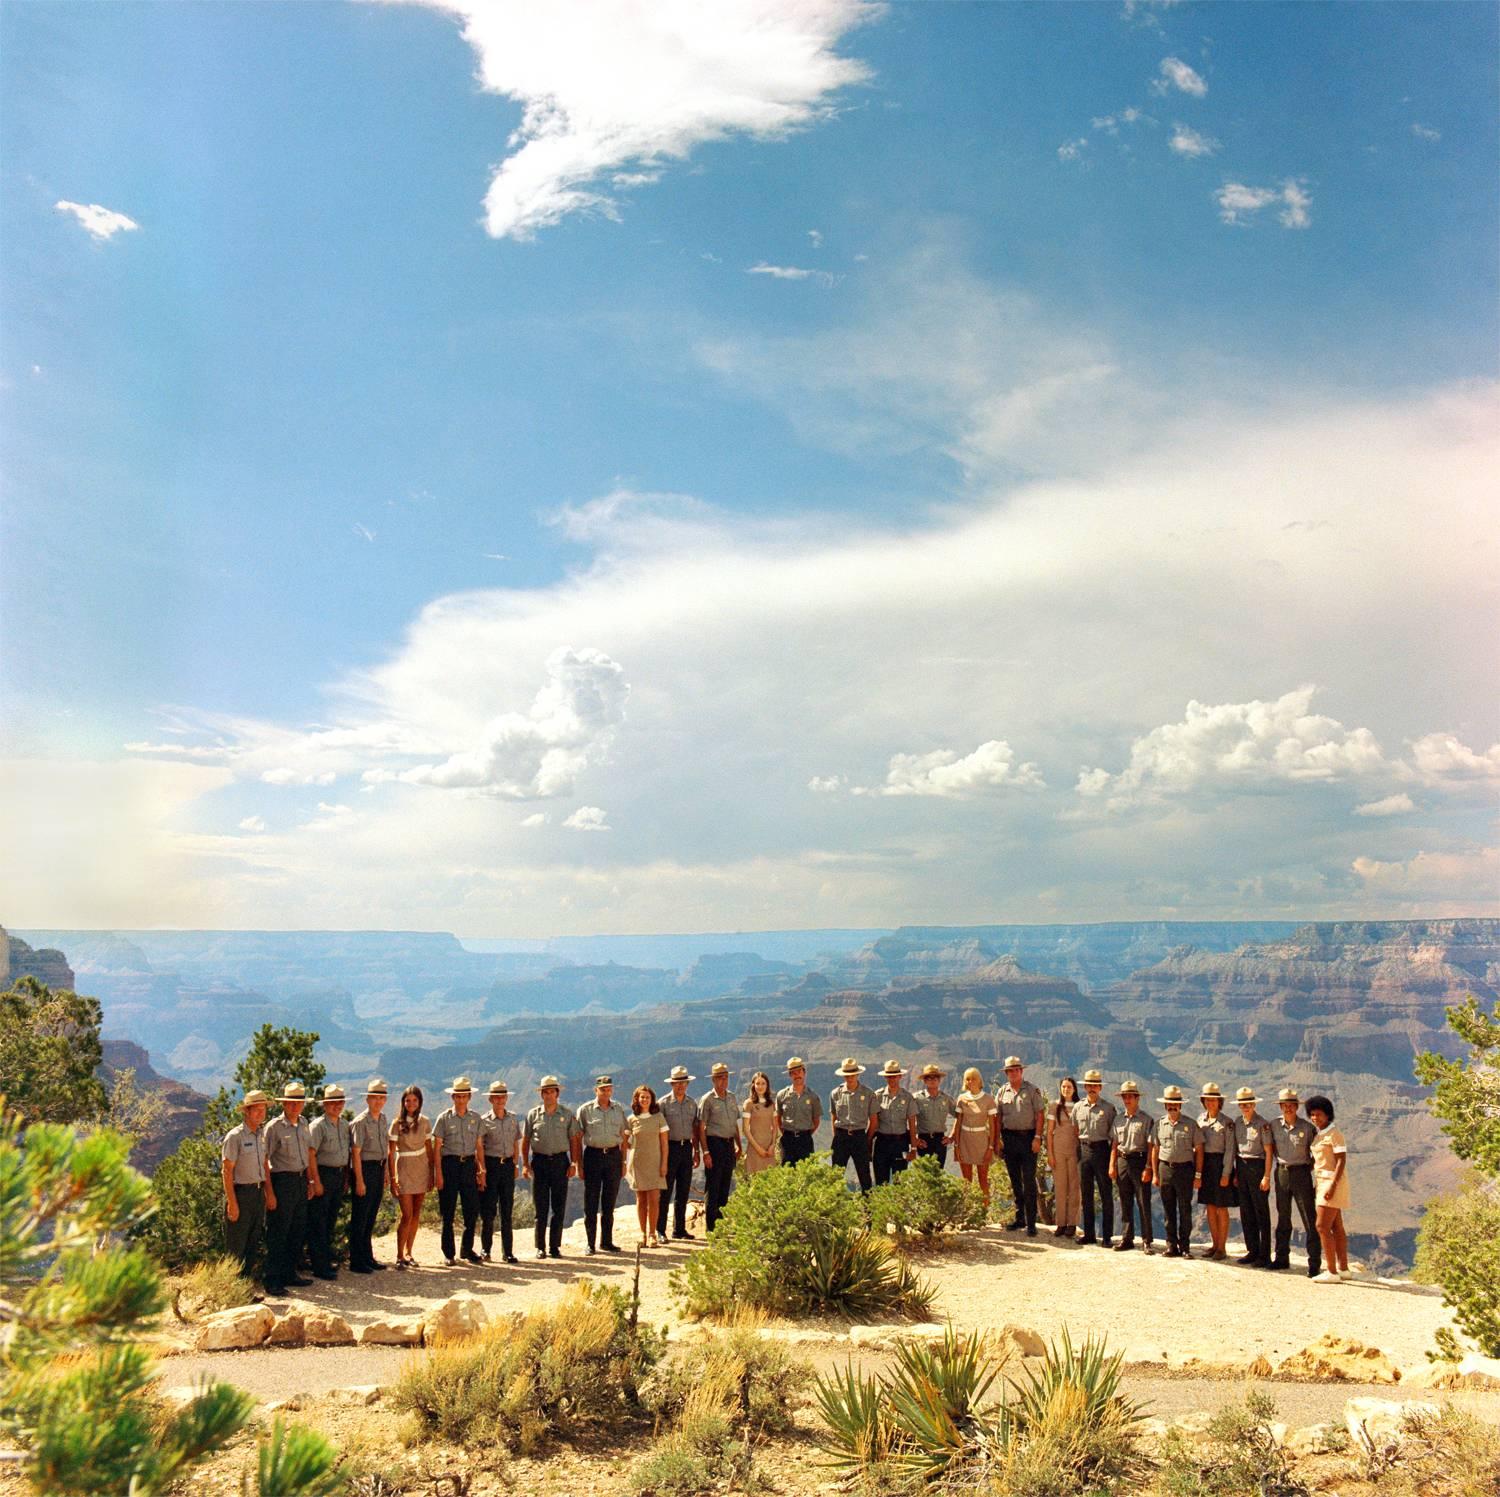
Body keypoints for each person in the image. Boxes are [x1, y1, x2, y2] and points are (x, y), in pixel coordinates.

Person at [263, 1082, 318, 1295]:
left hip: (300, 1180)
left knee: (296, 1230)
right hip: (281, 1181)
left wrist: (311, 1181)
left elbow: (308, 1154)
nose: (295, 1106)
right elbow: (265, 1160)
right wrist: (269, 1192)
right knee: (279, 1232)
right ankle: (272, 1279)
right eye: (291, 1102)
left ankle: (289, 1273)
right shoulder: (274, 1127)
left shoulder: (304, 1124)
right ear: (284, 1103)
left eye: (299, 1102)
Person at [522, 1076, 580, 1259]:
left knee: (558, 1206)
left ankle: (555, 1246)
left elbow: (574, 1140)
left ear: (557, 1093)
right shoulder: (533, 1115)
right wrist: (524, 1163)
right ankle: (540, 1247)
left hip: (560, 1162)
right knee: (541, 1207)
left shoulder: (566, 1114)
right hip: (539, 1163)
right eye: (545, 1092)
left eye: (551, 1091)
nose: (548, 1095)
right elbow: (525, 1140)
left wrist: (573, 1163)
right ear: (541, 1094)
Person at [433, 1076, 485, 1266]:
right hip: (450, 1165)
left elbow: (479, 1146)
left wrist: (482, 1170)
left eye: (464, 1096)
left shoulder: (475, 1118)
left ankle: (467, 1249)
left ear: (469, 1097)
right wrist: (438, 1174)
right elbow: (437, 1147)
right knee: (447, 1211)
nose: (461, 1099)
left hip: (469, 1166)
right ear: (452, 1097)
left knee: (471, 1209)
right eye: (458, 1096)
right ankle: (448, 1253)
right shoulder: (444, 1118)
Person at [1270, 1087, 1321, 1278]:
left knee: (1309, 1218)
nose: (1288, 1108)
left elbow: (1316, 1153)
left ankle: (1314, 1264)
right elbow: (1271, 1148)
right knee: (1283, 1217)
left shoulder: (1308, 1129)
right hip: (1282, 1172)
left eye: (1292, 1105)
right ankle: (1281, 1258)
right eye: (1285, 1105)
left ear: (1296, 1107)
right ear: (1281, 1106)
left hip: (1301, 1174)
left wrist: (1308, 1170)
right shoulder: (1274, 1125)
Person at [1149, 1086, 1203, 1259]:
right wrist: (1155, 1174)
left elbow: (1199, 1149)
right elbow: (1155, 1150)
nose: (1172, 1107)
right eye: (1169, 1104)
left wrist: (1198, 1174)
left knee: (1185, 1209)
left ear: (1180, 1105)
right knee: (1168, 1209)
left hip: (1185, 1170)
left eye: (1175, 1104)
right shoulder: (1159, 1124)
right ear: (1165, 1105)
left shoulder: (1190, 1124)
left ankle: (1185, 1247)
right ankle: (1171, 1245)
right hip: (1165, 1168)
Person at [221, 1089, 270, 1280]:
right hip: (241, 1194)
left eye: (263, 1109)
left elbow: (265, 1166)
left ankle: (245, 1289)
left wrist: (267, 1194)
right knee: (236, 1247)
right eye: (256, 1110)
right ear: (246, 1111)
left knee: (252, 1243)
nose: (260, 1113)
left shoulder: (261, 1135)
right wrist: (232, 1203)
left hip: (258, 1194)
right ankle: (229, 1292)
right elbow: (226, 1171)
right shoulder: (235, 1137)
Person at [577, 1074, 628, 1255]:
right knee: (591, 1201)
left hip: (613, 1156)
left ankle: (607, 1241)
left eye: (609, 1089)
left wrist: (623, 1161)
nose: (606, 1092)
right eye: (603, 1089)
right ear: (595, 1090)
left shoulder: (618, 1109)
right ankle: (590, 1243)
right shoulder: (585, 1110)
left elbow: (624, 1136)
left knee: (609, 1201)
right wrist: (578, 1164)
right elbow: (577, 1138)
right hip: (593, 1156)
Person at [306, 1083, 353, 1280]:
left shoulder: (343, 1125)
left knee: (331, 1220)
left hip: (338, 1175)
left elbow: (347, 1152)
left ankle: (325, 1260)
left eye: (340, 1102)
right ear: (325, 1104)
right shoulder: (317, 1126)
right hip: (323, 1175)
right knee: (319, 1222)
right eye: (332, 1102)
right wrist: (315, 1181)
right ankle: (319, 1266)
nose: (337, 1105)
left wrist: (346, 1177)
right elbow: (311, 1154)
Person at [996, 1056, 1046, 1236]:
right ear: (1006, 1073)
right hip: (1009, 1139)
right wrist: (997, 1140)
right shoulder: (1002, 1092)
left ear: (1021, 1071)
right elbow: (998, 1117)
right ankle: (1020, 1219)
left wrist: (1038, 1138)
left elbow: (1040, 1114)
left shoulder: (1032, 1090)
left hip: (1028, 1139)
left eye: (1016, 1069)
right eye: (1010, 1070)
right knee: (1015, 1180)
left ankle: (1032, 1222)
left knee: (1029, 1180)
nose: (1013, 1073)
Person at [388, 1084, 433, 1269]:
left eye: (414, 1100)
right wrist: (393, 1178)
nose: (411, 1103)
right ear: (403, 1102)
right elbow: (391, 1153)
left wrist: (432, 1174)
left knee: (416, 1213)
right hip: (404, 1169)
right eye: (408, 1100)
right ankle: (399, 1255)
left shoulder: (425, 1122)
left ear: (420, 1102)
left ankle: (409, 1252)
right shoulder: (396, 1123)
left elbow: (429, 1150)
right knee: (406, 1214)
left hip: (421, 1169)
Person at [348, 1078, 390, 1275]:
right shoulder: (360, 1123)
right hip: (364, 1169)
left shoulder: (383, 1119)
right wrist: (359, 1180)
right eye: (374, 1098)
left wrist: (387, 1172)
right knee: (360, 1217)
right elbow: (356, 1153)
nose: (378, 1102)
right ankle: (356, 1260)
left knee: (371, 1215)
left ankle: (367, 1256)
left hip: (379, 1168)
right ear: (367, 1100)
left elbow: (386, 1149)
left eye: (381, 1098)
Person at [1306, 1094, 1350, 1283]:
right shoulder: (1321, 1134)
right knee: (1337, 1227)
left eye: (1319, 1114)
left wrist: (1332, 1185)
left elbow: (1341, 1160)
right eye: (1312, 1115)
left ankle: (1331, 1272)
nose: (1315, 1118)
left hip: (1331, 1182)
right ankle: (1344, 1269)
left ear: (1328, 1115)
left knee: (1322, 1226)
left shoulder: (1334, 1134)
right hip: (1322, 1182)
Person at [1231, 1087, 1275, 1267]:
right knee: (1246, 1211)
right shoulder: (1237, 1123)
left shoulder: (1262, 1124)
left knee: (1261, 1213)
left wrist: (1266, 1176)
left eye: (1248, 1103)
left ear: (1254, 1104)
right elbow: (1235, 1150)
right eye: (1242, 1104)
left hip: (1258, 1167)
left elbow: (1268, 1151)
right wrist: (1235, 1173)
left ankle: (1264, 1255)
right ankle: (1252, 1251)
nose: (1245, 1107)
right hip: (1242, 1167)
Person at [1109, 1080, 1155, 1253]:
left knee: (1143, 1201)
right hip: (1122, 1161)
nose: (1127, 1100)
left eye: (1130, 1097)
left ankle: (1146, 1241)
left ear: (1137, 1098)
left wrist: (1149, 1167)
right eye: (1124, 1097)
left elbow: (1151, 1147)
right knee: (1125, 1201)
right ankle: (1127, 1238)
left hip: (1140, 1161)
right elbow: (1114, 1143)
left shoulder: (1146, 1120)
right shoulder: (1118, 1120)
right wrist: (1111, 1165)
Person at [478, 1081, 521, 1264]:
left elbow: (515, 1142)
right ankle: (485, 1250)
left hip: (507, 1166)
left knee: (507, 1210)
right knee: (488, 1211)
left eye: (503, 1097)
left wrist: (516, 1163)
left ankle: (508, 1252)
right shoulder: (484, 1120)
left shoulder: (512, 1118)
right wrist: (482, 1170)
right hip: (491, 1165)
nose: (500, 1100)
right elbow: (479, 1146)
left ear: (506, 1098)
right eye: (496, 1097)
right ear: (490, 1099)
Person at [1073, 1069, 1116, 1247]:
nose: (1091, 1088)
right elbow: (1075, 1131)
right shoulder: (1078, 1107)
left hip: (1102, 1151)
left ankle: (1107, 1237)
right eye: (1088, 1085)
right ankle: (1089, 1234)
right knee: (1087, 1194)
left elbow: (1114, 1136)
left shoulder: (1108, 1109)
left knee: (1106, 1194)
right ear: (1085, 1087)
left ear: (1100, 1087)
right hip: (1084, 1152)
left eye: (1094, 1085)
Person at [657, 1066, 700, 1241]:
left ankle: (679, 1229)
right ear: (672, 1084)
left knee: (683, 1191)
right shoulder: (663, 1104)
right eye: (676, 1083)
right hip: (670, 1148)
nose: (680, 1086)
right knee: (665, 1192)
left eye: (683, 1083)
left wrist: (696, 1151)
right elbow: (659, 1131)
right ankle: (660, 1230)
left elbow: (695, 1129)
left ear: (687, 1083)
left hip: (686, 1148)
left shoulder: (692, 1104)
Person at [699, 1062, 742, 1230]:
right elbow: (701, 1127)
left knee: (725, 1186)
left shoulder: (731, 1097)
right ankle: (711, 1228)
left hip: (729, 1144)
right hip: (714, 1144)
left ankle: (721, 1226)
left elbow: (734, 1124)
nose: (723, 1081)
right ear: (713, 1080)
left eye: (726, 1077)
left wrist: (739, 1145)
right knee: (713, 1186)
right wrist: (706, 1152)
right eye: (719, 1078)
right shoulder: (707, 1100)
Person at [626, 1084, 670, 1247]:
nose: (644, 1099)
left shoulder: (658, 1118)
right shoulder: (631, 1119)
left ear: (652, 1100)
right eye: (641, 1097)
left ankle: (652, 1234)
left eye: (647, 1097)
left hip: (655, 1162)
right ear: (637, 1099)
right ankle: (642, 1233)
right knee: (641, 1199)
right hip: (637, 1163)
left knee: (654, 1199)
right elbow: (626, 1143)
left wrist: (664, 1163)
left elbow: (664, 1143)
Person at [1195, 1083, 1235, 1261]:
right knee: (1209, 1206)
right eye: (1207, 1100)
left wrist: (1226, 1173)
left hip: (1220, 1164)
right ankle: (1214, 1244)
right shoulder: (1200, 1120)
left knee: (1221, 1207)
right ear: (1203, 1102)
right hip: (1205, 1164)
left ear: (1219, 1102)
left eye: (1214, 1100)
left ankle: (1222, 1248)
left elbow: (1230, 1150)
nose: (1211, 1103)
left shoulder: (1227, 1123)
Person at [828, 1057, 878, 1194]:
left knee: (865, 1177)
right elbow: (833, 1117)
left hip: (859, 1137)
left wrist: (866, 1139)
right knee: (836, 1176)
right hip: (841, 1137)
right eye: (847, 1074)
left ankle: (868, 1210)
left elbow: (874, 1121)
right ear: (843, 1075)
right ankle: (833, 1208)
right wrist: (837, 1137)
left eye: (852, 1074)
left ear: (857, 1074)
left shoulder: (868, 1094)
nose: (849, 1077)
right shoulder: (835, 1093)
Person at [953, 1067, 998, 1206]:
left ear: (979, 1080)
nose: (970, 1081)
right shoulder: (962, 1099)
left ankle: (983, 1212)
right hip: (964, 1140)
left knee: (983, 1179)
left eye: (973, 1078)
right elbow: (958, 1122)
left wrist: (991, 1147)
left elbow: (993, 1125)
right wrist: (956, 1145)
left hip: (982, 1142)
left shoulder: (988, 1100)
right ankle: (966, 1211)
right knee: (966, 1180)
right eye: (968, 1079)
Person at [871, 1059, 917, 1186]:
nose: (892, 1079)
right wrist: (868, 1144)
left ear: (900, 1076)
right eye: (889, 1076)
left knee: (900, 1183)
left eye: (894, 1076)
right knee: (881, 1183)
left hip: (900, 1143)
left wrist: (913, 1148)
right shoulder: (878, 1096)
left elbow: (912, 1125)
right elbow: (873, 1122)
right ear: (885, 1077)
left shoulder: (907, 1097)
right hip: (882, 1143)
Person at [1046, 1077, 1082, 1240]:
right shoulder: (1054, 1106)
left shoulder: (1080, 1106)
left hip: (1074, 1150)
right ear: (1060, 1088)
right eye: (1064, 1086)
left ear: (1074, 1089)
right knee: (1060, 1187)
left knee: (1074, 1189)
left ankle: (1072, 1224)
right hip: (1058, 1151)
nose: (1066, 1089)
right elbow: (1049, 1132)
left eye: (1069, 1087)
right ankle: (1060, 1223)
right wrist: (1050, 1154)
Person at [776, 1057, 821, 1167]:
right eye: (793, 1073)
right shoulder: (782, 1095)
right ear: (790, 1075)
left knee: (807, 1173)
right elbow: (778, 1118)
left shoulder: (813, 1096)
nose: (797, 1075)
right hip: (788, 1140)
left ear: (804, 1072)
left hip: (805, 1141)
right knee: (787, 1174)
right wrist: (787, 1134)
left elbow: (816, 1121)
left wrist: (805, 1134)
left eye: (799, 1071)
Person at [913, 1064, 957, 1169]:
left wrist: (952, 1137)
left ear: (939, 1080)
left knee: (938, 1174)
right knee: (923, 1175)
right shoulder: (916, 1098)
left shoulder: (946, 1099)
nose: (932, 1080)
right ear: (924, 1080)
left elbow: (959, 1116)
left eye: (935, 1077)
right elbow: (907, 1119)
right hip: (923, 1141)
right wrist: (914, 1139)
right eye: (929, 1077)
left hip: (940, 1141)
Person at [742, 1071, 780, 1175]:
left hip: (769, 1151)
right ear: (753, 1085)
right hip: (755, 1149)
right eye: (757, 1083)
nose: (760, 1086)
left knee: (769, 1183)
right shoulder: (748, 1104)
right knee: (754, 1183)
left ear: (767, 1085)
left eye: (763, 1083)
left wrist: (773, 1145)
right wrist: (758, 1149)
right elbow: (745, 1129)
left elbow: (775, 1127)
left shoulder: (771, 1104)